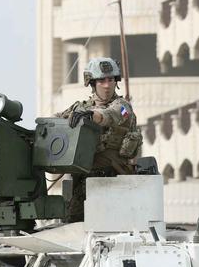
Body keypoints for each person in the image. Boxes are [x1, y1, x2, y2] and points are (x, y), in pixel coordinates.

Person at [56, 57, 143, 223]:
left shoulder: (123, 107)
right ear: (92, 83)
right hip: (82, 179)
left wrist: (92, 116)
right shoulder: (80, 108)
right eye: (102, 80)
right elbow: (57, 120)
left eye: (111, 80)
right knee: (73, 225)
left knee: (111, 225)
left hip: (114, 178)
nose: (107, 85)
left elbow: (111, 115)